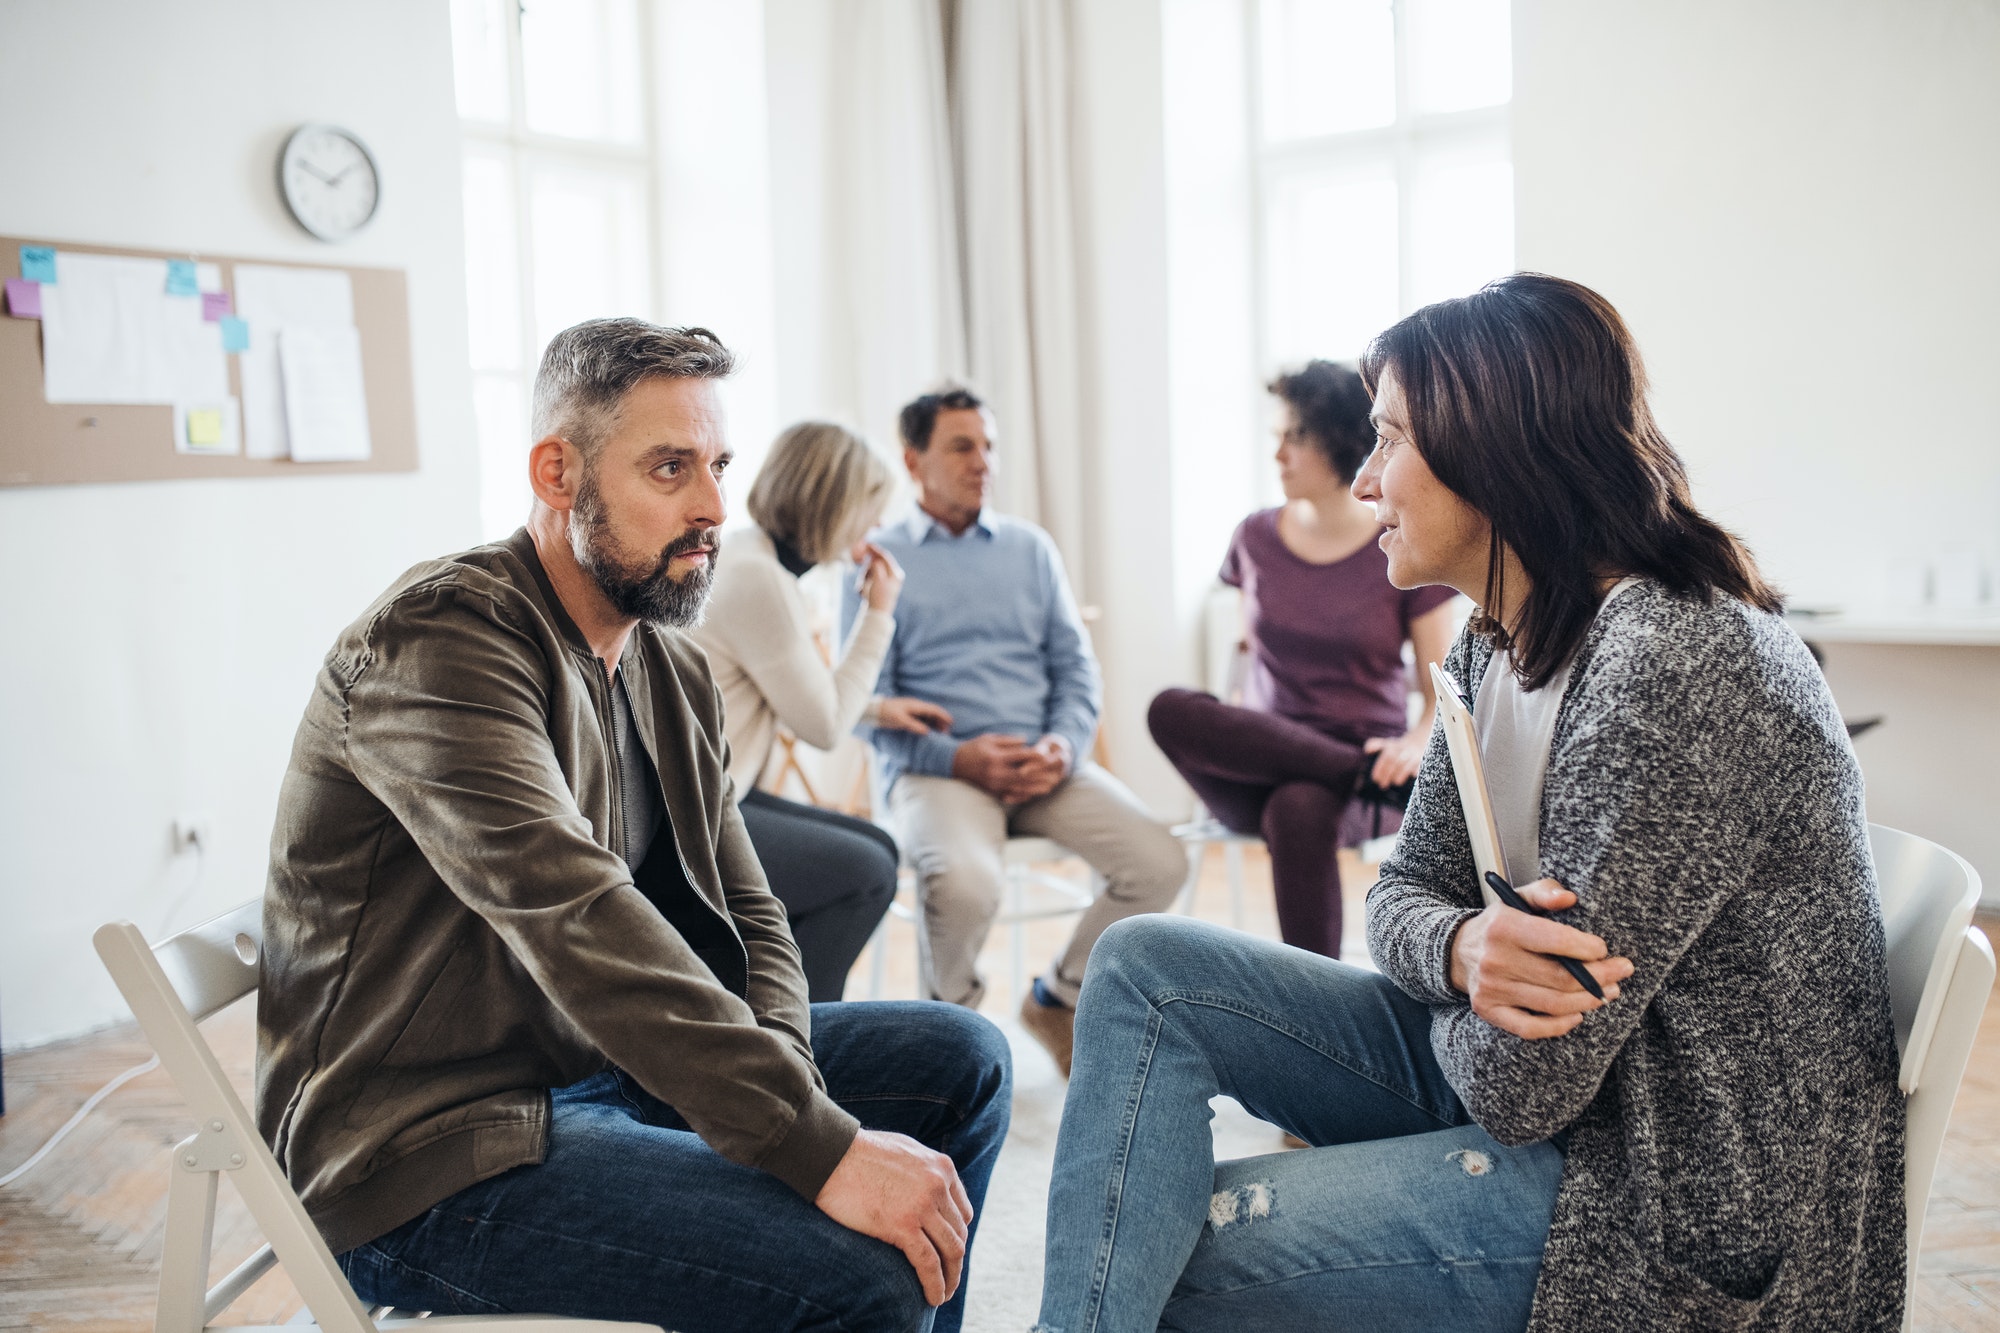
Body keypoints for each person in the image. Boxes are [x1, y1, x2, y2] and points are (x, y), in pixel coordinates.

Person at [1033, 275, 1903, 1331]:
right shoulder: (1500, 639)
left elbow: (1520, 1090)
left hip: (1660, 1204)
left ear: (1493, 455)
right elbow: (1399, 896)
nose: (1362, 484)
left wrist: (1452, 964)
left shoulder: (1669, 665)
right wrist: (1457, 953)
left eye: (1387, 442)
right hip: (1577, 1108)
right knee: (1140, 964)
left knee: (1178, 1236)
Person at [258, 319, 1010, 1333]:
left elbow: (750, 909)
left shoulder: (661, 661)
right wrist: (811, 1145)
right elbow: (578, 916)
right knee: (853, 1276)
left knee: (962, 1059)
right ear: (556, 472)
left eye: (715, 466)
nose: (710, 507)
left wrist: (787, 1083)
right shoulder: (441, 644)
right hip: (423, 1151)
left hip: (595, 1077)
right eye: (669, 468)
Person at [848, 385, 1186, 1076]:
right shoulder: (875, 558)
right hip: (941, 770)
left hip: (1043, 764)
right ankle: (951, 1041)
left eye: (989, 445)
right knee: (968, 883)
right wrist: (957, 756)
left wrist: (1063, 743)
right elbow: (861, 700)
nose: (984, 462)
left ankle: (1057, 997)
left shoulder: (1030, 549)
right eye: (962, 446)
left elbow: (1076, 668)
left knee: (1160, 860)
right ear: (914, 462)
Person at [1148, 360, 1459, 958]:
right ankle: (1351, 771)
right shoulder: (1254, 538)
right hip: (1269, 754)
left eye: (1296, 437)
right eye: (1277, 439)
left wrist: (1414, 745)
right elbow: (1246, 663)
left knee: (1299, 805)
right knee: (1170, 707)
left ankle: (1314, 1007)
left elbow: (1441, 689)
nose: (1279, 456)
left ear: (1340, 442)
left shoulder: (1399, 545)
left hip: (1369, 767)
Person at [689, 420, 953, 1001]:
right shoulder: (760, 578)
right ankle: (809, 1036)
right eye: (870, 508)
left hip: (720, 792)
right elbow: (825, 726)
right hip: (694, 816)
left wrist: (880, 710)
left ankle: (776, 1008)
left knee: (880, 848)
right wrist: (879, 612)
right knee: (865, 873)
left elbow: (793, 693)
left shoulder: (751, 558)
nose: (877, 525)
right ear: (833, 504)